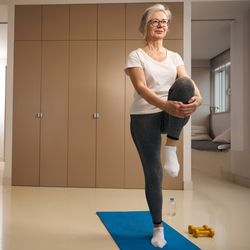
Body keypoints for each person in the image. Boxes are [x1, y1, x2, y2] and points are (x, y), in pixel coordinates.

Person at [125, 4, 202, 248]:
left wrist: (198, 99)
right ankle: (158, 228)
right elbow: (141, 88)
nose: (160, 25)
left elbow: (188, 83)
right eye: (155, 21)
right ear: (145, 26)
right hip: (145, 115)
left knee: (186, 84)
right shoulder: (136, 55)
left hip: (171, 115)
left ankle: (171, 146)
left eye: (164, 22)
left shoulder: (175, 57)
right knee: (154, 173)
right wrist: (164, 105)